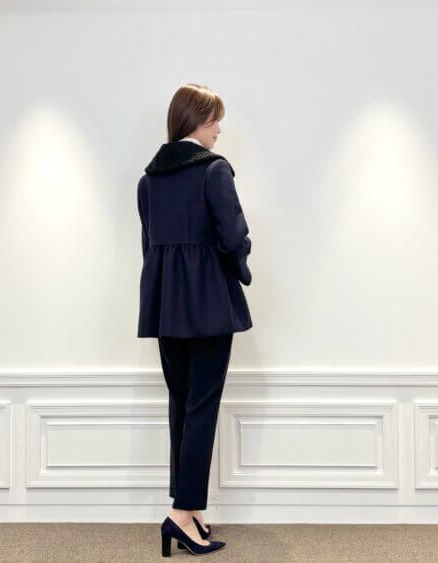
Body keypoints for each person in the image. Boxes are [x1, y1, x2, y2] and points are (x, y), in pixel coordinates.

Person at [136, 83, 253, 556]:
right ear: (195, 120)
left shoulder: (149, 180)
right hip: (207, 307)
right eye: (213, 119)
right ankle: (182, 513)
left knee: (181, 404)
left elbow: (149, 247)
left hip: (165, 307)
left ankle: (190, 510)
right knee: (201, 407)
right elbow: (234, 236)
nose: (219, 128)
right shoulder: (213, 170)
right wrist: (238, 264)